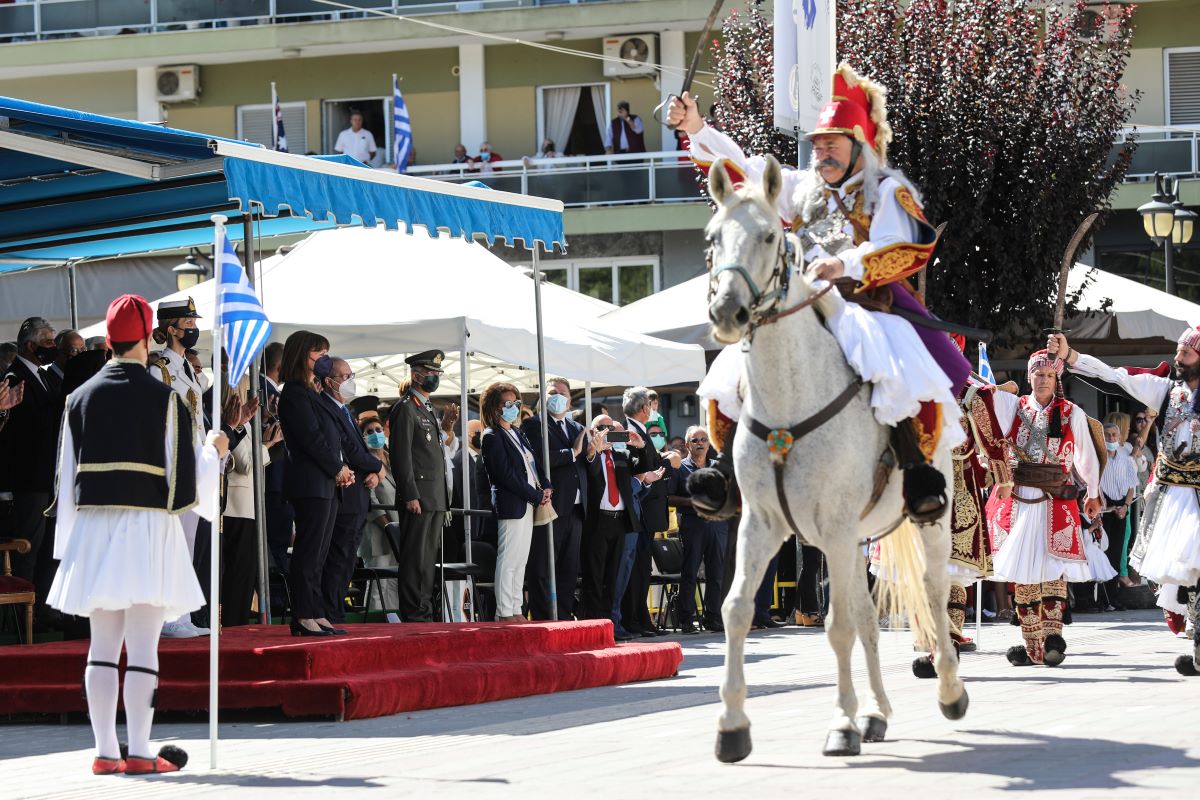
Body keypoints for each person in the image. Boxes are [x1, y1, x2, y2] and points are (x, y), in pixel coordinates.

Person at [668, 63, 971, 523]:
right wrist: (697, 128)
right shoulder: (803, 188)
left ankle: (915, 474)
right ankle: (726, 471)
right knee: (738, 359)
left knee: (889, 362)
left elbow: (907, 246)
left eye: (833, 143)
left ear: (859, 146)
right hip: (800, 302)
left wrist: (845, 263)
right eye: (819, 144)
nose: (823, 152)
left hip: (865, 301)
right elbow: (747, 173)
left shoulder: (886, 191)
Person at [46, 293, 227, 775]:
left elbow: (66, 481)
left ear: (109, 339)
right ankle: (142, 751)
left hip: (95, 529)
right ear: (148, 337)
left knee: (101, 647)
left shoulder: (77, 398)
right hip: (148, 529)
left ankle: (107, 751)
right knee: (143, 646)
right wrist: (215, 450)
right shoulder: (165, 398)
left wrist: (69, 546)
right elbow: (185, 484)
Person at [1051, 329, 1200, 675]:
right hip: (1175, 495)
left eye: (1187, 354)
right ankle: (1197, 643)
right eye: (1177, 352)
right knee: (1185, 571)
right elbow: (1117, 379)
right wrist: (1072, 357)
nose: (1178, 360)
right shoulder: (1165, 389)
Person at [985, 349, 1102, 668]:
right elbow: (983, 398)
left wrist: (1092, 492)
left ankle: (1053, 639)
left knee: (1054, 570)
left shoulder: (1070, 412)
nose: (1043, 380)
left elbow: (1086, 456)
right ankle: (1033, 647)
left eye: (1049, 375)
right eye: (1037, 374)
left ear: (1056, 379)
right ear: (1028, 377)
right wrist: (1003, 388)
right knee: (1023, 575)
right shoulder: (1015, 405)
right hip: (1020, 499)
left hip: (1056, 499)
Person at [277, 330, 351, 637]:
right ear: (302, 356)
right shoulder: (294, 393)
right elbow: (312, 440)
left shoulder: (312, 391)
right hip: (312, 482)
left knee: (320, 553)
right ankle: (303, 614)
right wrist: (338, 468)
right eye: (318, 354)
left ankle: (316, 611)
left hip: (325, 482)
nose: (324, 360)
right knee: (309, 551)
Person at [148, 298, 211, 638]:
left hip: (193, 462)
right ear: (171, 329)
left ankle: (182, 614)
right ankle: (167, 618)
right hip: (172, 466)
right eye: (188, 324)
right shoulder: (159, 369)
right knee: (172, 542)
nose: (193, 329)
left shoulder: (186, 367)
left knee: (187, 541)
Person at [0, 316, 62, 628]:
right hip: (29, 477)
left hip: (48, 473)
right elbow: (16, 428)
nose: (53, 347)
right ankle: (23, 613)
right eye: (48, 342)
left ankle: (44, 607)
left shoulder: (47, 376)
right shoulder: (14, 376)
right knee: (29, 546)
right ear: (30, 345)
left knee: (50, 546)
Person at [318, 358, 383, 628]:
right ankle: (331, 613)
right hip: (344, 498)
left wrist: (371, 471)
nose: (350, 380)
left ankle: (335, 612)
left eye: (351, 374)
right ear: (329, 381)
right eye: (344, 376)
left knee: (346, 562)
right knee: (338, 558)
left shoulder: (343, 409)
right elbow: (351, 450)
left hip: (358, 496)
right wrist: (377, 466)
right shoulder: (327, 408)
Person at [388, 350, 452, 622]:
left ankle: (424, 610)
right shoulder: (405, 408)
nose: (435, 377)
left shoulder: (427, 408)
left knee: (428, 560)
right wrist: (410, 494)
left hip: (435, 496)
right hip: (419, 497)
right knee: (415, 558)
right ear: (416, 375)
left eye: (437, 373)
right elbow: (401, 456)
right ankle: (414, 612)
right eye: (431, 373)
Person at [480, 383, 551, 621]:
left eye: (516, 403)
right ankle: (504, 611)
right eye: (507, 404)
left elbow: (534, 464)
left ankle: (516, 608)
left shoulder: (517, 433)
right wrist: (534, 494)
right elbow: (506, 476)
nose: (513, 408)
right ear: (495, 407)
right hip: (512, 504)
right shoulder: (491, 436)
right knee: (509, 559)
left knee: (520, 560)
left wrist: (546, 485)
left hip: (527, 504)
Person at [521, 378, 587, 620]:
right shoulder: (533, 425)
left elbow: (584, 465)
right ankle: (543, 616)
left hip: (576, 508)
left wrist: (589, 454)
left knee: (569, 568)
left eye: (562, 393)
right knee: (543, 564)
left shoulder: (577, 429)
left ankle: (564, 614)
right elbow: (540, 458)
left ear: (570, 400)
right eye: (551, 393)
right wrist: (573, 452)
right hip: (550, 506)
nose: (557, 397)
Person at [579, 413, 649, 639]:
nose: (607, 430)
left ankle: (610, 627)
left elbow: (646, 467)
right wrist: (594, 451)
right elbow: (589, 468)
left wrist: (640, 446)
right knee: (595, 576)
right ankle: (592, 626)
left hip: (620, 521)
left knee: (613, 576)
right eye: (602, 427)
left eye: (611, 426)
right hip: (598, 521)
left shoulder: (621, 454)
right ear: (592, 431)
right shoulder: (588, 453)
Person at [221, 376, 281, 626]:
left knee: (246, 572)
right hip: (237, 507)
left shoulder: (245, 427)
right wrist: (269, 444)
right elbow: (246, 464)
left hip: (249, 506)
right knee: (239, 572)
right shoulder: (230, 425)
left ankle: (239, 620)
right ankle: (234, 622)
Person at [667, 425, 729, 633]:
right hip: (693, 525)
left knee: (717, 573)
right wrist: (693, 501)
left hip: (717, 525)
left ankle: (713, 617)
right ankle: (686, 619)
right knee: (690, 572)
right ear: (687, 445)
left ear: (709, 443)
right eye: (695, 440)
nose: (700, 443)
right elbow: (669, 498)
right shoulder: (680, 468)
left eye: (703, 439)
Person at [360, 416, 400, 612]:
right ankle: (374, 623)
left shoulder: (392, 457)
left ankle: (393, 623)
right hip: (378, 531)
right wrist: (387, 526)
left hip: (398, 529)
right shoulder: (364, 461)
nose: (375, 433)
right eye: (369, 431)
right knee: (378, 585)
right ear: (362, 437)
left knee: (393, 583)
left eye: (378, 429)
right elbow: (370, 501)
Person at [261, 342, 293, 573]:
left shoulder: (271, 391)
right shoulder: (267, 393)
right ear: (281, 365)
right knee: (276, 544)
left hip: (275, 478)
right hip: (274, 477)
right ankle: (278, 601)